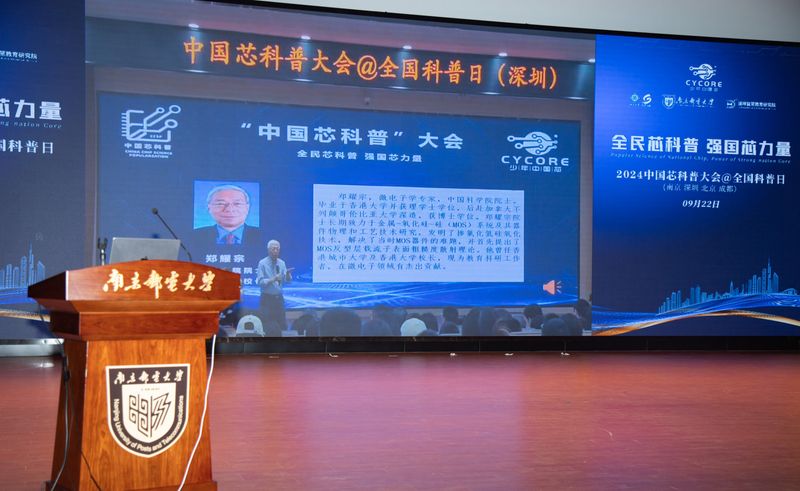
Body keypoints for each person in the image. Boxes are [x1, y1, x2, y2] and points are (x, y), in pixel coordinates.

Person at [195, 184, 260, 245]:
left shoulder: (262, 235)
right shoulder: (195, 235)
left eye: (237, 204)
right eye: (221, 204)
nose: (229, 209)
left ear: (247, 208)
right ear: (209, 208)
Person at [256, 240, 292, 329]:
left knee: (282, 325)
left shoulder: (282, 263)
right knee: (267, 325)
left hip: (279, 299)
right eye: (273, 249)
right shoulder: (262, 263)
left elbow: (287, 281)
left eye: (277, 249)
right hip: (267, 299)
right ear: (268, 250)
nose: (275, 251)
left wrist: (288, 275)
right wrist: (273, 279)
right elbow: (260, 282)